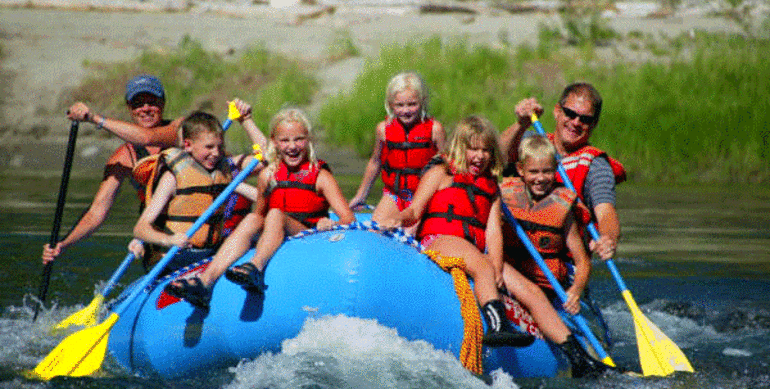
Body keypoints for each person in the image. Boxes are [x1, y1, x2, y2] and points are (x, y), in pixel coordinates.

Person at [164, 107, 355, 310]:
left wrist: (332, 223)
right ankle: (205, 282)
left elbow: (348, 218)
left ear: (308, 141)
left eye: (298, 139)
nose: (292, 146)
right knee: (252, 219)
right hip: (278, 237)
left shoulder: (320, 176)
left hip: (307, 237)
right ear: (274, 142)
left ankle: (256, 266)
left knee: (275, 214)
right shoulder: (268, 175)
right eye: (285, 140)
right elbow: (259, 217)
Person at [383, 115, 534, 347]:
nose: (480, 155)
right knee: (482, 265)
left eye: (485, 150)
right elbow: (414, 210)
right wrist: (397, 218)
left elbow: (493, 232)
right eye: (473, 148)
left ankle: (572, 349)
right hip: (438, 239)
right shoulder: (441, 173)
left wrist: (496, 267)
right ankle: (498, 326)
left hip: (468, 248)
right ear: (459, 147)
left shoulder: (490, 187)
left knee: (520, 284)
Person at [499, 135, 611, 378]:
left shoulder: (563, 207)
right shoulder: (504, 197)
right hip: (512, 282)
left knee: (581, 337)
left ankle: (583, 360)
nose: (541, 178)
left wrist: (575, 291)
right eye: (534, 172)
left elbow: (582, 262)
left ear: (556, 169)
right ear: (520, 170)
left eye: (547, 171)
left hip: (549, 290)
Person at [42, 75, 180, 264]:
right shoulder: (124, 157)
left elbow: (147, 138)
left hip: (196, 224)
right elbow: (96, 212)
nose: (146, 109)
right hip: (160, 238)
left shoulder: (181, 129)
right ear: (130, 109)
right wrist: (63, 244)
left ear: (163, 104)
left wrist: (94, 118)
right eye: (138, 104)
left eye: (152, 102)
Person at [499, 83, 626, 260]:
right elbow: (497, 156)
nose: (576, 122)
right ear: (557, 111)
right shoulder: (530, 143)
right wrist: (520, 124)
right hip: (512, 250)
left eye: (585, 119)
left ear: (594, 123)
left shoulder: (596, 165)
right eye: (570, 114)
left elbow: (606, 212)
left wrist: (608, 239)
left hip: (558, 262)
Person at [132, 111, 261, 275]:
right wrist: (169, 239)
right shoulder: (172, 177)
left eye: (220, 147)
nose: (216, 153)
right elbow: (140, 228)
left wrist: (246, 120)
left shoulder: (224, 169)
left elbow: (266, 158)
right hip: (175, 258)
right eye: (209, 147)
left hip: (209, 253)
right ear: (188, 145)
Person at [348, 72, 446, 231]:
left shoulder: (435, 129)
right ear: (390, 104)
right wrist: (361, 195)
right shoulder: (383, 129)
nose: (406, 110)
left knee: (408, 236)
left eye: (412, 104)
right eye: (400, 105)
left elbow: (447, 168)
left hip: (423, 198)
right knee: (376, 231)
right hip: (395, 195)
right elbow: (375, 162)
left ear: (422, 102)